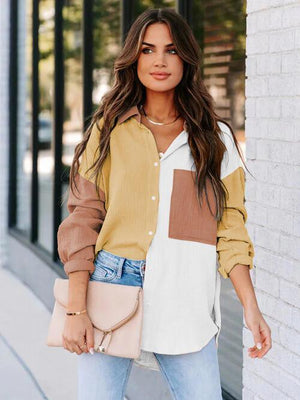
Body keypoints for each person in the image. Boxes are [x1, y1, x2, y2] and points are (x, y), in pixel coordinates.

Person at [57, 8, 272, 400]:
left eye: (171, 50)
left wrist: (251, 308)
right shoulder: (108, 130)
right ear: (133, 59)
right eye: (148, 49)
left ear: (186, 58)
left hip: (185, 295)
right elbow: (82, 220)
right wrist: (75, 310)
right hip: (111, 287)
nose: (159, 60)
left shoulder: (214, 138)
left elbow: (231, 229)